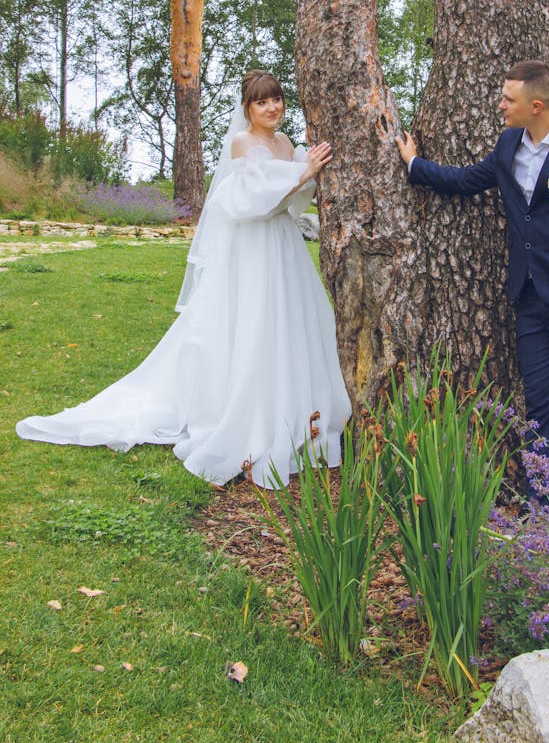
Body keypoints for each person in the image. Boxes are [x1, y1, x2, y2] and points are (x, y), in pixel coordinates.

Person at [17, 71, 351, 487]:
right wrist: (302, 174)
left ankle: (298, 410)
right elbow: (251, 203)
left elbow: (286, 203)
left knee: (290, 321)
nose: (273, 108)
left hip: (283, 244)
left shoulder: (285, 144)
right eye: (263, 102)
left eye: (278, 99)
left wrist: (306, 173)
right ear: (248, 108)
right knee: (254, 320)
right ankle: (248, 413)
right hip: (253, 248)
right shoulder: (242, 143)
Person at [396, 59, 549, 502]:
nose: (500, 105)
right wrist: (414, 163)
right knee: (540, 412)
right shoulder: (507, 146)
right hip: (532, 302)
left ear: (536, 105)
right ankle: (542, 509)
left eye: (508, 99)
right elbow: (466, 181)